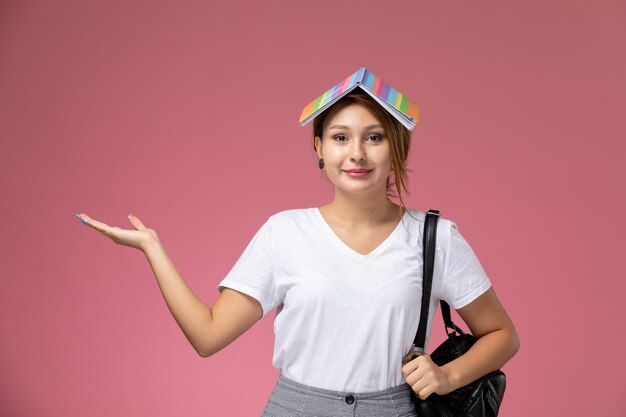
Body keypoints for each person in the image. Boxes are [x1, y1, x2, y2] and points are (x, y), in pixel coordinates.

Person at [76, 70, 520, 417]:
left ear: (397, 149)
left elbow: (502, 335)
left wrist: (447, 376)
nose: (357, 154)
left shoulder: (435, 237)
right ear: (319, 148)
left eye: (375, 137)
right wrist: (152, 247)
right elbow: (207, 336)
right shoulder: (284, 233)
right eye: (341, 137)